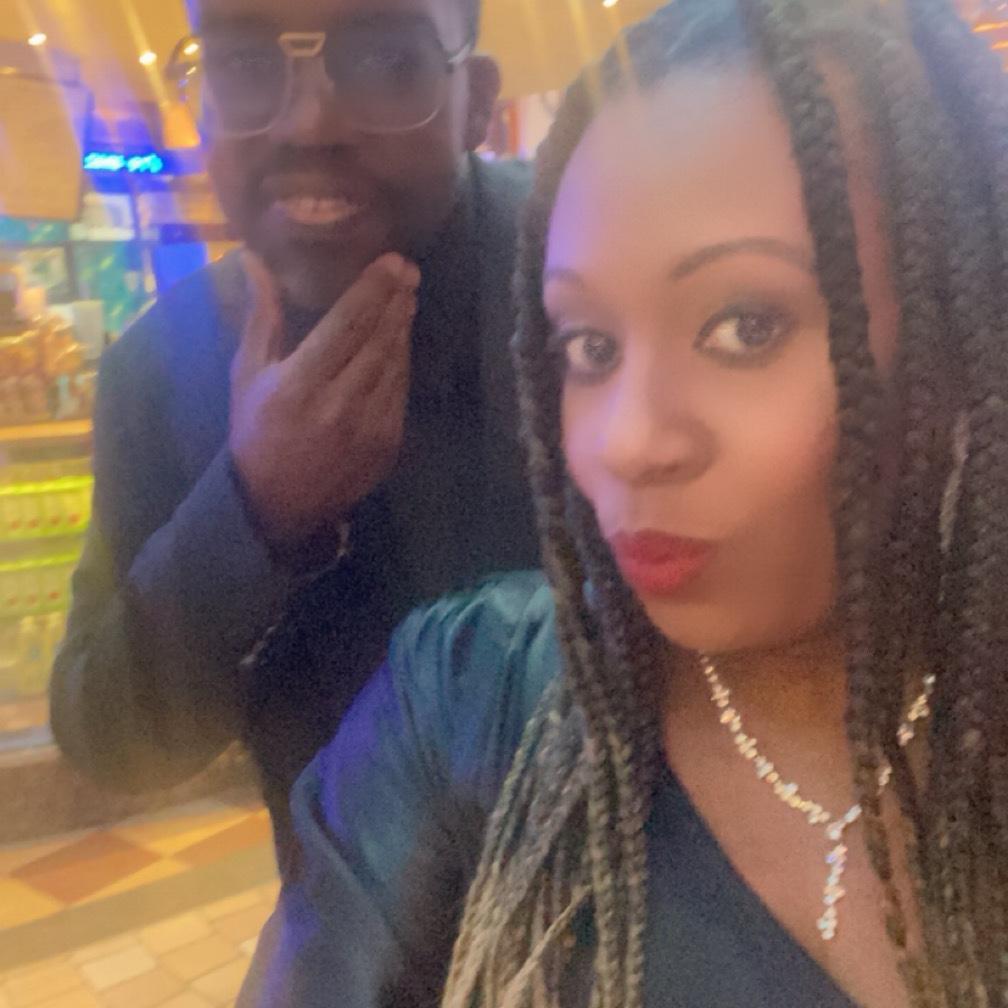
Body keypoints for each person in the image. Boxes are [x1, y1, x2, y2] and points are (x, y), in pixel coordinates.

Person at [241, 0, 1008, 1005]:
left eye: (745, 326)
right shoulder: (470, 707)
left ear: (962, 341)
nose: (626, 442)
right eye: (590, 347)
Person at [48, 0, 538, 863]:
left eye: (384, 58)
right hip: (347, 931)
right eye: (244, 63)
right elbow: (108, 736)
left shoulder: (595, 282)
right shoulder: (159, 369)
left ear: (476, 101)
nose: (310, 122)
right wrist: (254, 510)